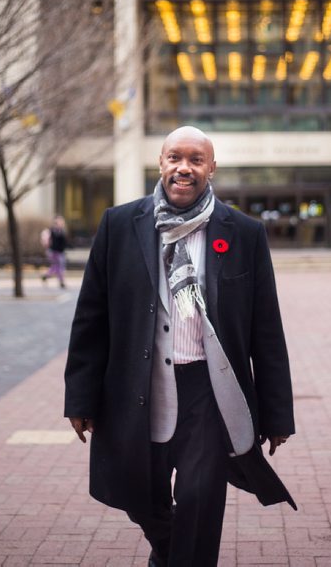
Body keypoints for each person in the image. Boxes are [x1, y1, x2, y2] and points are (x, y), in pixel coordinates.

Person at [64, 126, 296, 567]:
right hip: (138, 392)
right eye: (175, 158)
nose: (183, 168)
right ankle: (171, 554)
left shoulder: (244, 233)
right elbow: (91, 320)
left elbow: (266, 332)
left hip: (207, 394)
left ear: (211, 168)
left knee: (199, 502)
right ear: (161, 164)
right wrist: (79, 397)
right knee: (141, 497)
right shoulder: (119, 225)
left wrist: (278, 414)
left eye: (194, 159)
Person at [41, 215, 67, 288]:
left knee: (56, 266)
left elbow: (64, 242)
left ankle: (46, 276)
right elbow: (54, 243)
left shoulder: (61, 231)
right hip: (55, 252)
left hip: (60, 252)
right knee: (59, 266)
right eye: (60, 221)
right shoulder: (53, 231)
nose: (62, 223)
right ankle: (61, 281)